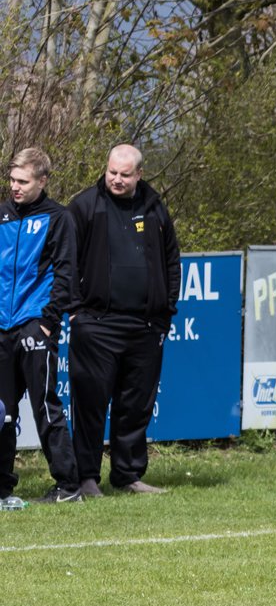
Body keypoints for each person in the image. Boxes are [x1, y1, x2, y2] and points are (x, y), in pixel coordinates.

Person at [66, 144, 181, 497]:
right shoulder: (85, 206)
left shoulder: (155, 208)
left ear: (139, 174)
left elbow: (172, 262)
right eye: (112, 172)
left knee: (135, 406)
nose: (116, 179)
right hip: (96, 324)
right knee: (90, 405)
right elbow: (66, 262)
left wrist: (164, 314)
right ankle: (86, 477)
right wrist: (76, 311)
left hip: (145, 327)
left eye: (125, 174)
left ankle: (127, 475)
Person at [0, 148, 80, 506]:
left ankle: (68, 485)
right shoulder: (1, 215)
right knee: (1, 410)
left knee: (44, 406)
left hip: (35, 324)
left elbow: (66, 273)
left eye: (22, 181)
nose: (14, 187)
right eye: (12, 180)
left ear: (42, 181)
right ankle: (3, 485)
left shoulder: (59, 218)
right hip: (2, 326)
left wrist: (48, 323)